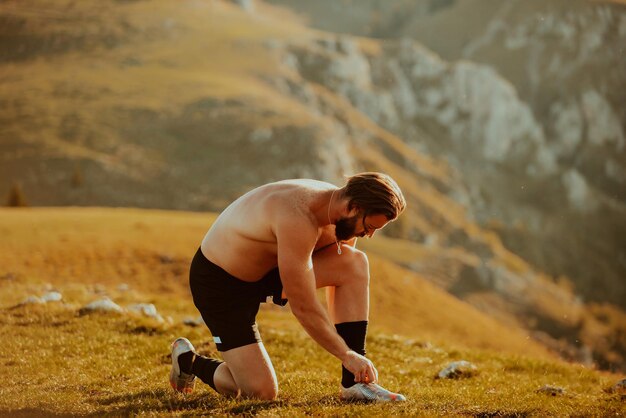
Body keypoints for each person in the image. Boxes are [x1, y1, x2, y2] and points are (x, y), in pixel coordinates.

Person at [169, 172, 407, 402]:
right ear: (352, 207)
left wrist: (354, 358)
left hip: (271, 268)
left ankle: (355, 384)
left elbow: (337, 272)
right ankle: (189, 361)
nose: (370, 235)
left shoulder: (338, 214)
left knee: (353, 262)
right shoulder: (298, 216)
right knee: (260, 392)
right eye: (369, 226)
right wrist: (345, 354)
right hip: (222, 283)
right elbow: (303, 305)